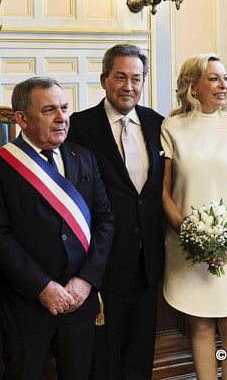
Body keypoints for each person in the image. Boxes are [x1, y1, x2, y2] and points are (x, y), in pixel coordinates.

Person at [0, 76, 114, 380]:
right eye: (49, 110)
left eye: (65, 108)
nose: (61, 118)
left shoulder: (83, 156)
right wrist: (42, 287)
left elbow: (105, 220)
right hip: (26, 304)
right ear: (22, 119)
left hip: (78, 302)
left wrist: (86, 281)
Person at [161, 53, 227, 380]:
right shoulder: (171, 127)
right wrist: (193, 238)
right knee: (201, 327)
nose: (224, 85)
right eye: (214, 78)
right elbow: (163, 192)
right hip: (186, 245)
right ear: (193, 86)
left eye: (226, 78)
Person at [66, 44, 165, 380]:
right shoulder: (78, 127)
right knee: (104, 355)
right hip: (103, 260)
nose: (128, 86)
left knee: (140, 352)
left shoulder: (157, 123)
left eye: (136, 78)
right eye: (120, 77)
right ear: (104, 79)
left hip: (149, 258)